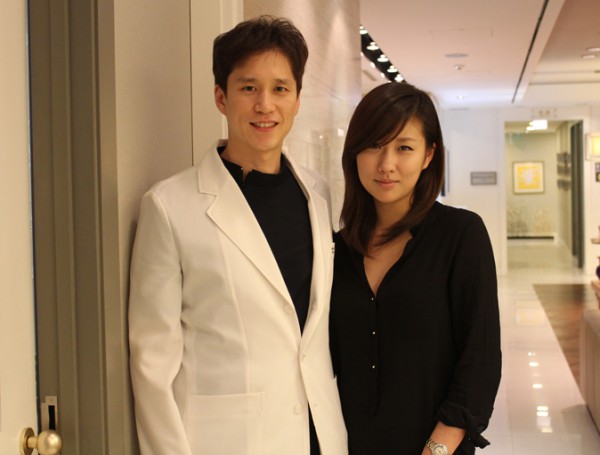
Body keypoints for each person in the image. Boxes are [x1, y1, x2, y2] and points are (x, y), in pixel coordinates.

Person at [128, 16, 347, 455]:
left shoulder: (318, 193)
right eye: (249, 88)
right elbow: (152, 365)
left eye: (280, 89)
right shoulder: (170, 206)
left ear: (297, 100)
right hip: (231, 442)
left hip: (319, 435)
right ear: (221, 97)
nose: (265, 105)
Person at [329, 82, 501, 455]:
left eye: (404, 147)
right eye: (374, 145)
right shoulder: (335, 250)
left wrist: (438, 447)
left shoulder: (461, 235)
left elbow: (481, 358)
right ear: (354, 152)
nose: (386, 164)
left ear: (428, 155)